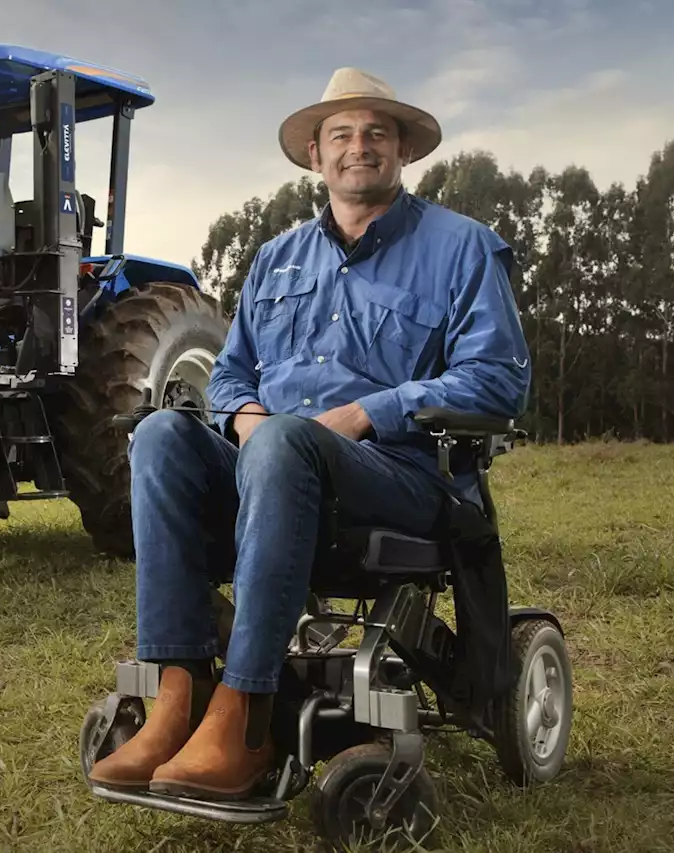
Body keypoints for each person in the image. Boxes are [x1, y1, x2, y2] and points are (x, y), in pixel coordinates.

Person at [86, 67, 532, 800]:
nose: (360, 147)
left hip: (398, 476)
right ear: (316, 157)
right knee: (163, 432)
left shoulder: (463, 249)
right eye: (342, 135)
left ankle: (245, 720)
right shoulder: (275, 259)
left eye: (376, 133)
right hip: (272, 472)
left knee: (287, 440)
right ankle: (177, 698)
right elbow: (230, 374)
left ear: (402, 151)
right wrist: (245, 416)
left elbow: (498, 381)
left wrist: (368, 411)